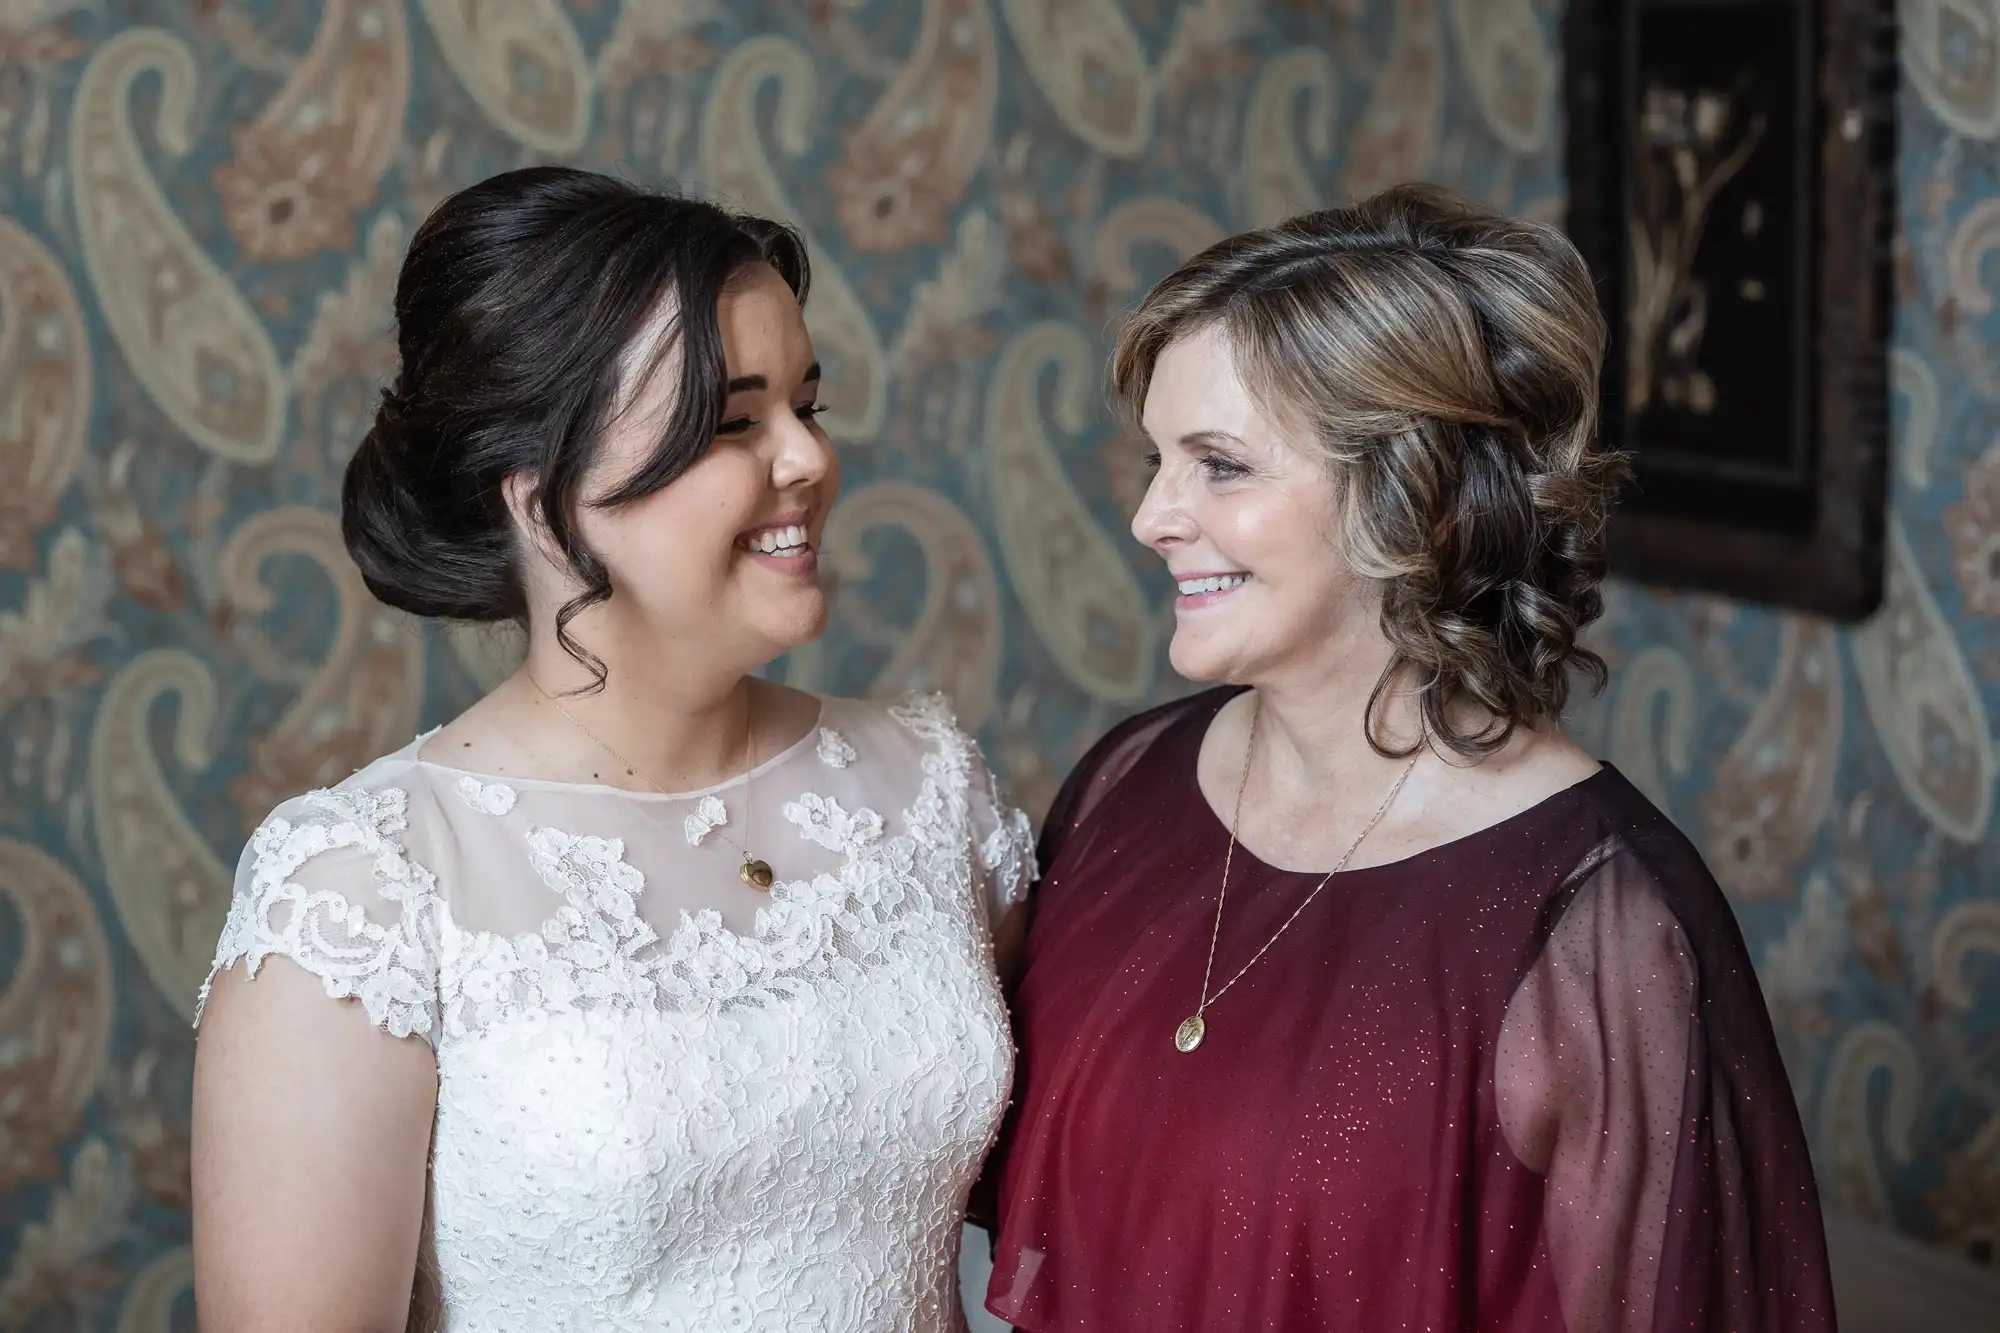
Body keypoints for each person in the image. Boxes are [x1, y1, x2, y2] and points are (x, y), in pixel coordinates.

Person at [191, 166, 1035, 1331]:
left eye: (807, 405)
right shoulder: (360, 896)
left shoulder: (929, 789)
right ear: (543, 497)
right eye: (733, 422)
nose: (805, 459)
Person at [984, 185, 1835, 1333]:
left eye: (1219, 465)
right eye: (1155, 459)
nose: (1149, 516)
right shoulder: (1125, 785)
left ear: (1415, 499)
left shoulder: (1598, 924)